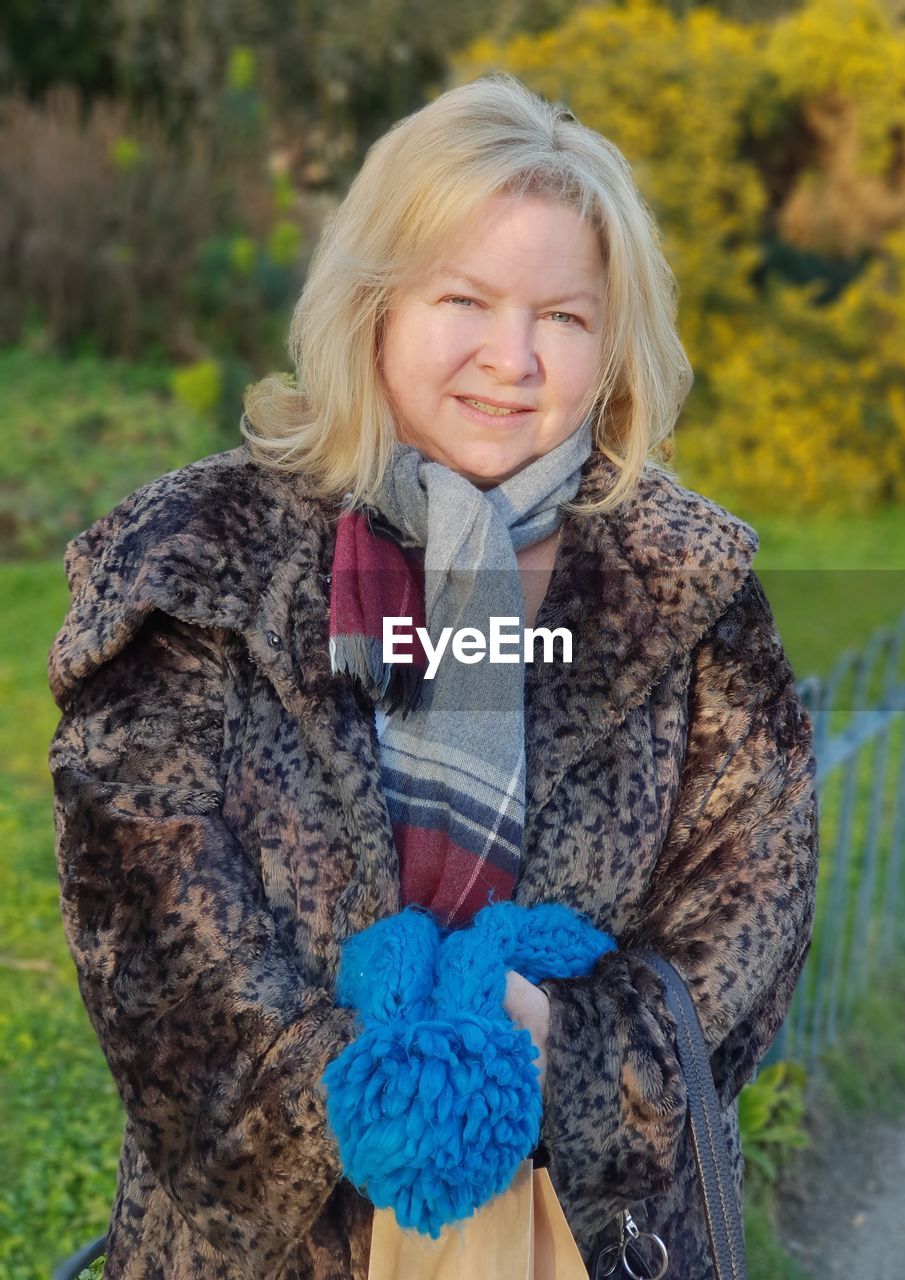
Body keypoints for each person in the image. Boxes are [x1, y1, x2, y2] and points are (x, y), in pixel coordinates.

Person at [48, 73, 819, 1279]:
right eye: (466, 298)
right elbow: (149, 927)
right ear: (375, 309)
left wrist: (558, 1045)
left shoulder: (691, 591)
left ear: (612, 345)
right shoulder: (200, 560)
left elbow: (748, 915)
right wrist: (378, 1100)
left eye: (563, 316)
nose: (513, 360)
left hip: (580, 1241)